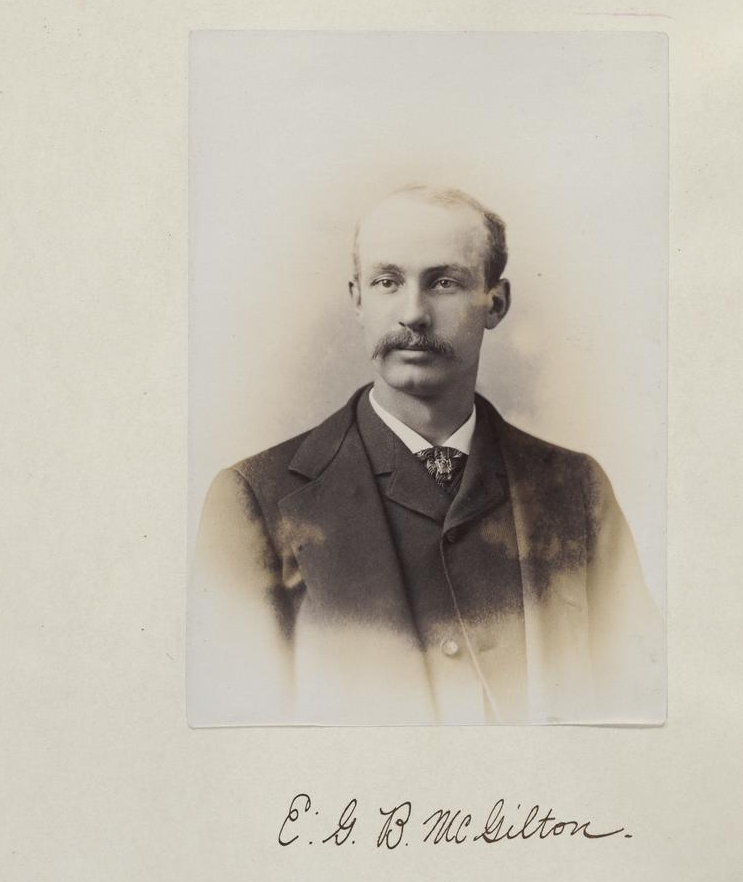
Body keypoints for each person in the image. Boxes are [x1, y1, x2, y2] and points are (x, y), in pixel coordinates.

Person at [191, 184, 663, 726]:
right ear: (358, 299)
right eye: (387, 282)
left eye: (444, 283)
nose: (413, 314)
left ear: (495, 302)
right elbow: (242, 737)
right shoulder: (256, 499)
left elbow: (636, 699)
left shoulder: (577, 488)